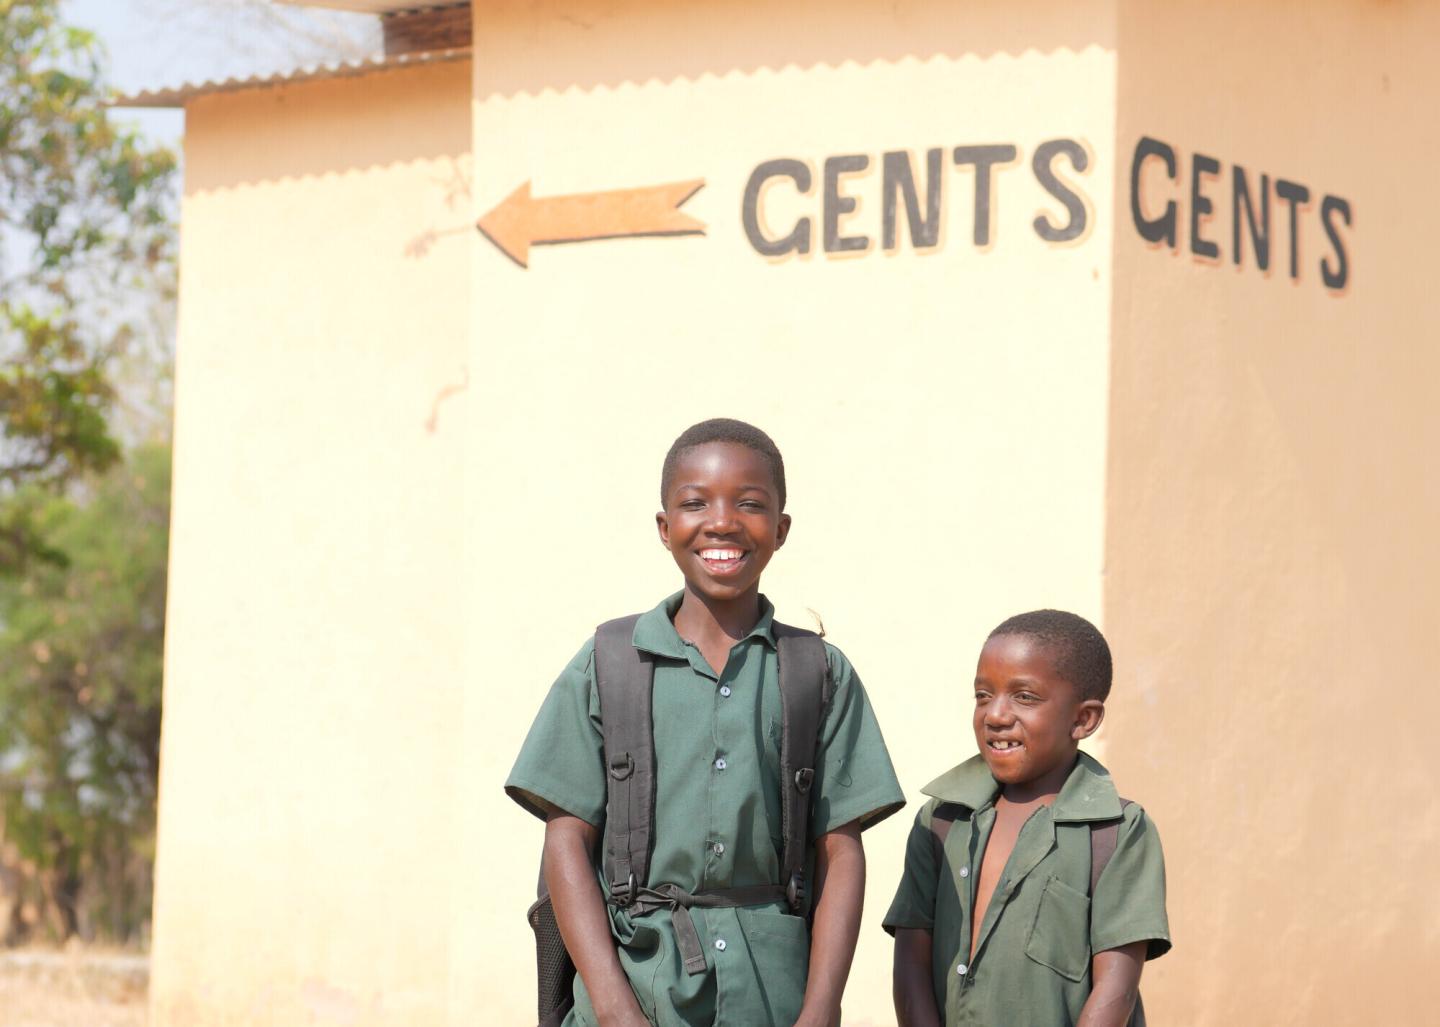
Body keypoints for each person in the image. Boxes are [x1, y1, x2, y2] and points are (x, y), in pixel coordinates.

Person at [506, 418, 905, 1026]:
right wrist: (613, 1008)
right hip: (636, 984)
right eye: (695, 503)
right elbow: (565, 840)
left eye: (749, 504)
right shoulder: (608, 664)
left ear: (782, 529)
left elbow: (841, 850)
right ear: (665, 529)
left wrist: (822, 1005)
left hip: (772, 996)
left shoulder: (817, 673)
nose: (722, 522)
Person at [885, 611, 1170, 1026]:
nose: (995, 715)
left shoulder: (1116, 831)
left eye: (1024, 697)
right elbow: (910, 964)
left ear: (1083, 719)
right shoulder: (942, 821)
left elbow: (1116, 989)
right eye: (983, 695)